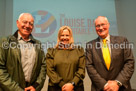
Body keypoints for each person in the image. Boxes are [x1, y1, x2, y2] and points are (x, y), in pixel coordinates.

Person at [86, 16, 134, 91]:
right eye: (98, 26)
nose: (101, 28)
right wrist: (105, 85)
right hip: (101, 88)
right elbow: (89, 67)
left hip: (121, 88)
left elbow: (129, 62)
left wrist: (117, 83)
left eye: (103, 24)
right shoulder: (89, 46)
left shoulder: (122, 41)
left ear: (108, 25)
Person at [0, 13, 46, 91]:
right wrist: (17, 89)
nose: (27, 26)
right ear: (17, 23)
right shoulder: (5, 42)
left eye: (30, 24)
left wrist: (35, 86)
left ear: (33, 27)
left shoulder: (38, 44)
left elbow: (43, 67)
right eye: (24, 22)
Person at [46, 26, 85, 91]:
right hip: (56, 88)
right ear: (59, 37)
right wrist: (63, 85)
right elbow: (50, 70)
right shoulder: (51, 52)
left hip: (75, 87)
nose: (64, 38)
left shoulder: (79, 50)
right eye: (62, 35)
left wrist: (72, 84)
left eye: (67, 35)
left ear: (70, 37)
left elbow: (81, 69)